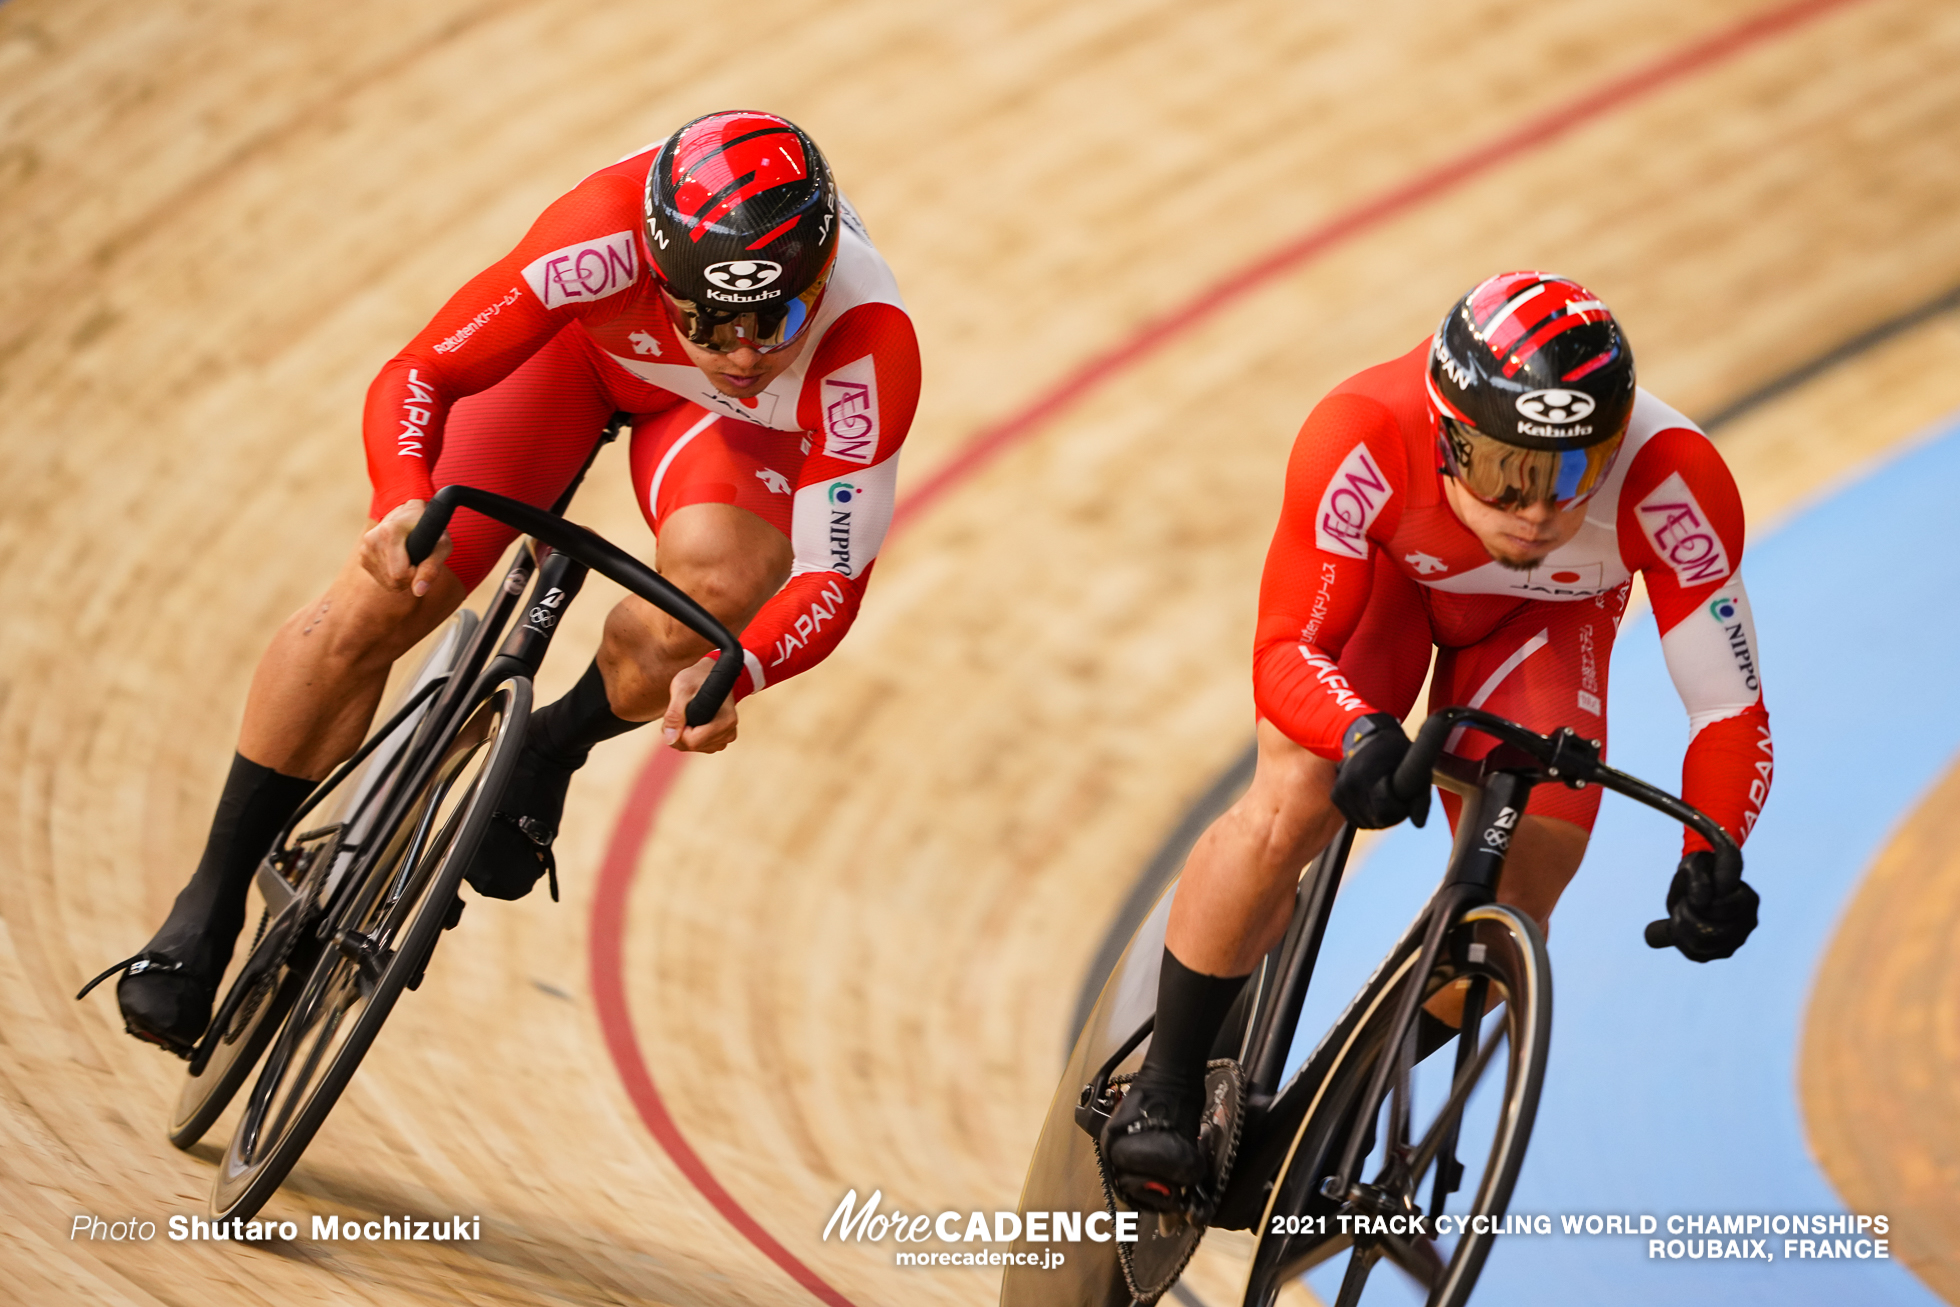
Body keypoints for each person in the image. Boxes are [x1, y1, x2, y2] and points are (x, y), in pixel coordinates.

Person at [105, 110, 920, 1053]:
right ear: (659, 273)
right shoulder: (598, 236)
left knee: (723, 595)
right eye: (710, 320)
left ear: (817, 284)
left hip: (730, 438)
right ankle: (206, 899)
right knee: (374, 604)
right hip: (576, 357)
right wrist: (402, 497)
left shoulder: (866, 343)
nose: (742, 354)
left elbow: (830, 576)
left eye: (773, 321)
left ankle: (551, 744)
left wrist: (745, 670)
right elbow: (423, 370)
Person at [1100, 271, 1771, 1210]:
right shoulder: (1363, 432)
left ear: (1615, 445)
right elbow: (1289, 648)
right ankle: (1163, 1088)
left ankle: (1340, 1103)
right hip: (1389, 590)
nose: (1537, 511)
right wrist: (1360, 732)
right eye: (1508, 473)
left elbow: (1728, 709)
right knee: (1298, 794)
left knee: (1518, 907)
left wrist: (1713, 848)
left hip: (1547, 627)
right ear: (1448, 435)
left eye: (1573, 472)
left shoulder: (1677, 478)